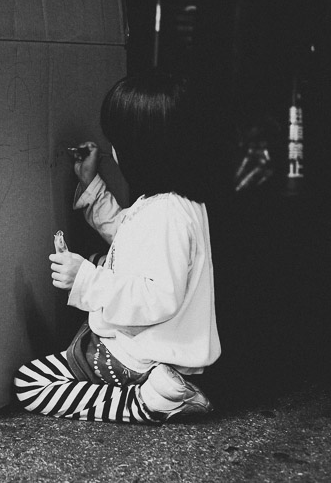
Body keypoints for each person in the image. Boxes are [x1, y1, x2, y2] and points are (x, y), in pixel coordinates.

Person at [13, 72, 221, 423]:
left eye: (117, 143)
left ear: (140, 153)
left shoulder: (166, 214)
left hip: (138, 355)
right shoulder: (172, 202)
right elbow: (129, 236)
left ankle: (145, 402)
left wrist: (86, 280)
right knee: (100, 261)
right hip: (156, 347)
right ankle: (159, 389)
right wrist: (91, 184)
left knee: (30, 382)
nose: (112, 150)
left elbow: (157, 298)